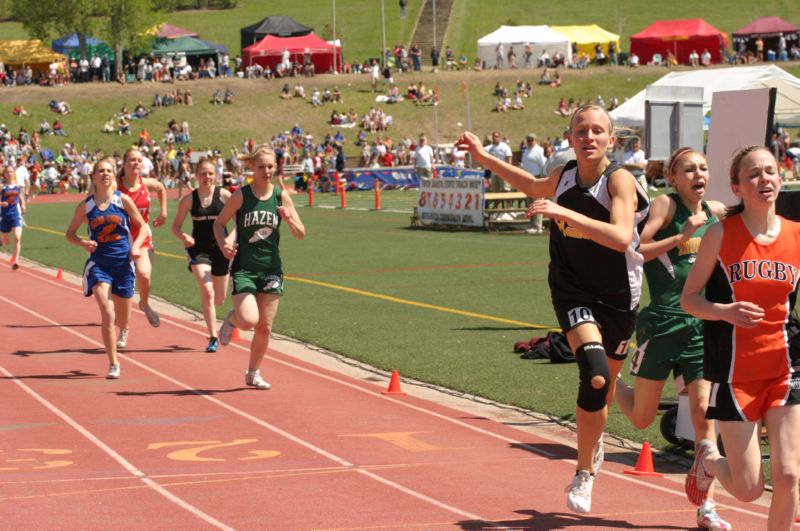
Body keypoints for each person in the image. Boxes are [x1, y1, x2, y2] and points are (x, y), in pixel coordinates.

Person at [456, 104, 650, 515]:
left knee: (608, 387)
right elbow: (531, 184)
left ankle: (600, 435)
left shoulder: (620, 181)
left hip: (618, 296)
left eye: (598, 130)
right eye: (582, 130)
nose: (589, 137)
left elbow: (619, 236)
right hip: (572, 290)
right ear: (571, 138)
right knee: (595, 376)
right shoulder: (563, 175)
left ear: (611, 141)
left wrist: (564, 212)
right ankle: (585, 471)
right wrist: (483, 157)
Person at [681, 146, 800, 530]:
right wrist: (724, 311)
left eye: (770, 171)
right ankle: (710, 460)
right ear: (737, 187)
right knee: (749, 488)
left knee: (788, 477)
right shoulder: (720, 234)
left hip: (786, 366)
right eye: (753, 174)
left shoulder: (798, 235)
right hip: (735, 374)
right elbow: (690, 300)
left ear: (780, 180)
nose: (764, 178)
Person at [614, 148, 731, 531]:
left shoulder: (716, 210)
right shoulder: (665, 205)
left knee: (703, 415)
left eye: (703, 167)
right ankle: (609, 379)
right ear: (673, 176)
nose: (698, 173)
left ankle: (707, 507)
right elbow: (634, 249)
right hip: (663, 324)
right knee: (643, 418)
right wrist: (682, 235)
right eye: (689, 168)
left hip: (700, 324)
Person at [213, 145, 306, 390]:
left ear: (276, 168)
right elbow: (219, 223)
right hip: (245, 268)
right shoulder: (241, 196)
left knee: (265, 326)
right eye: (261, 166)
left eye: (270, 166)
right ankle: (233, 318)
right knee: (248, 321)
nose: (266, 171)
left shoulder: (280, 196)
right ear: (252, 168)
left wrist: (289, 220)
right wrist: (224, 244)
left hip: (272, 269)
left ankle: (253, 372)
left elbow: (301, 233)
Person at [65, 158, 148, 379]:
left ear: (114, 175)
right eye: (100, 171)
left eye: (109, 171)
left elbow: (144, 227)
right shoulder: (86, 206)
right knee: (107, 312)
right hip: (99, 264)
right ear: (94, 177)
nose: (105, 174)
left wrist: (137, 246)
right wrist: (83, 243)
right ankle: (114, 363)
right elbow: (69, 234)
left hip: (123, 264)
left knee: (122, 318)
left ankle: (126, 328)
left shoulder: (124, 201)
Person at [171, 158, 232, 353]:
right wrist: (183, 236)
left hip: (221, 249)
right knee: (208, 291)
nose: (207, 177)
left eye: (211, 173)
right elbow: (175, 227)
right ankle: (213, 336)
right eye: (203, 173)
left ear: (216, 175)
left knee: (220, 299)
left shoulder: (224, 196)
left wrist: (230, 240)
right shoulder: (189, 200)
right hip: (199, 250)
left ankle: (225, 322)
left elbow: (240, 222)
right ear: (196, 176)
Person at [117, 148, 168, 336]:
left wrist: (163, 213)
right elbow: (96, 194)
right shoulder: (115, 186)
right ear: (124, 163)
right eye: (132, 160)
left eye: (139, 160)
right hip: (119, 239)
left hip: (142, 235)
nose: (136, 163)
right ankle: (124, 328)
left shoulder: (145, 184)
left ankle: (144, 303)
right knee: (124, 287)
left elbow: (162, 188)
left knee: (144, 275)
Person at [520, 133, 547, 234]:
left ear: (535, 140)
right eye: (528, 140)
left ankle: (537, 226)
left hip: (537, 178)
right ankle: (532, 224)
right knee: (530, 203)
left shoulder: (539, 150)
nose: (530, 141)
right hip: (527, 179)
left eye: (531, 140)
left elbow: (543, 164)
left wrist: (542, 179)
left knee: (537, 203)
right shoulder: (526, 150)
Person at [1, 164, 26, 270]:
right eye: (7, 172)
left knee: (17, 237)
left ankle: (16, 261)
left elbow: (20, 197)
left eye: (11, 171)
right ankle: (2, 240)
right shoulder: (2, 186)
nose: (9, 174)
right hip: (4, 216)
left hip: (15, 215)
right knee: (7, 242)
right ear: (4, 174)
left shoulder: (17, 186)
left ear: (13, 173)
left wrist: (23, 204)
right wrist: (2, 204)